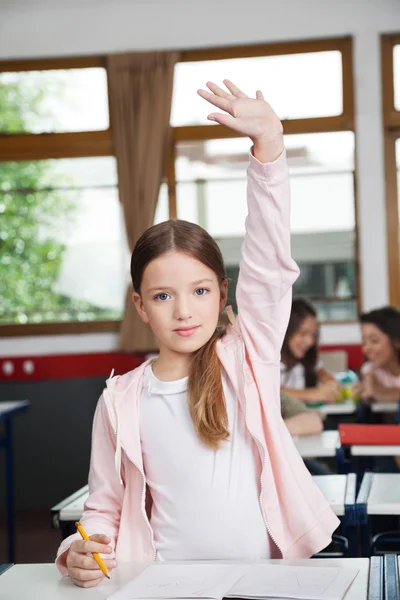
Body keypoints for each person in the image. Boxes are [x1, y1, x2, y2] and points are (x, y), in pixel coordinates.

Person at [56, 80, 339, 587]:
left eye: (201, 291)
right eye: (163, 296)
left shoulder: (248, 355)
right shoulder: (120, 400)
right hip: (163, 586)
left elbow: (270, 264)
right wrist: (82, 547)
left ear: (223, 292)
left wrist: (269, 150)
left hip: (263, 584)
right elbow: (103, 506)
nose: (184, 311)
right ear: (140, 306)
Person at [280, 298, 340, 404]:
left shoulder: (308, 359)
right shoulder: (271, 361)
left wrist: (332, 387)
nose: (310, 342)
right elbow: (272, 391)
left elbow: (329, 380)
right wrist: (312, 394)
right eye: (303, 333)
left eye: (314, 335)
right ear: (285, 331)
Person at [354, 306, 400, 403]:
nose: (366, 349)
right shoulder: (370, 369)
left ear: (397, 341)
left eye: (374, 341)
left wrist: (377, 392)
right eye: (364, 342)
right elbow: (370, 391)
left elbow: (375, 392)